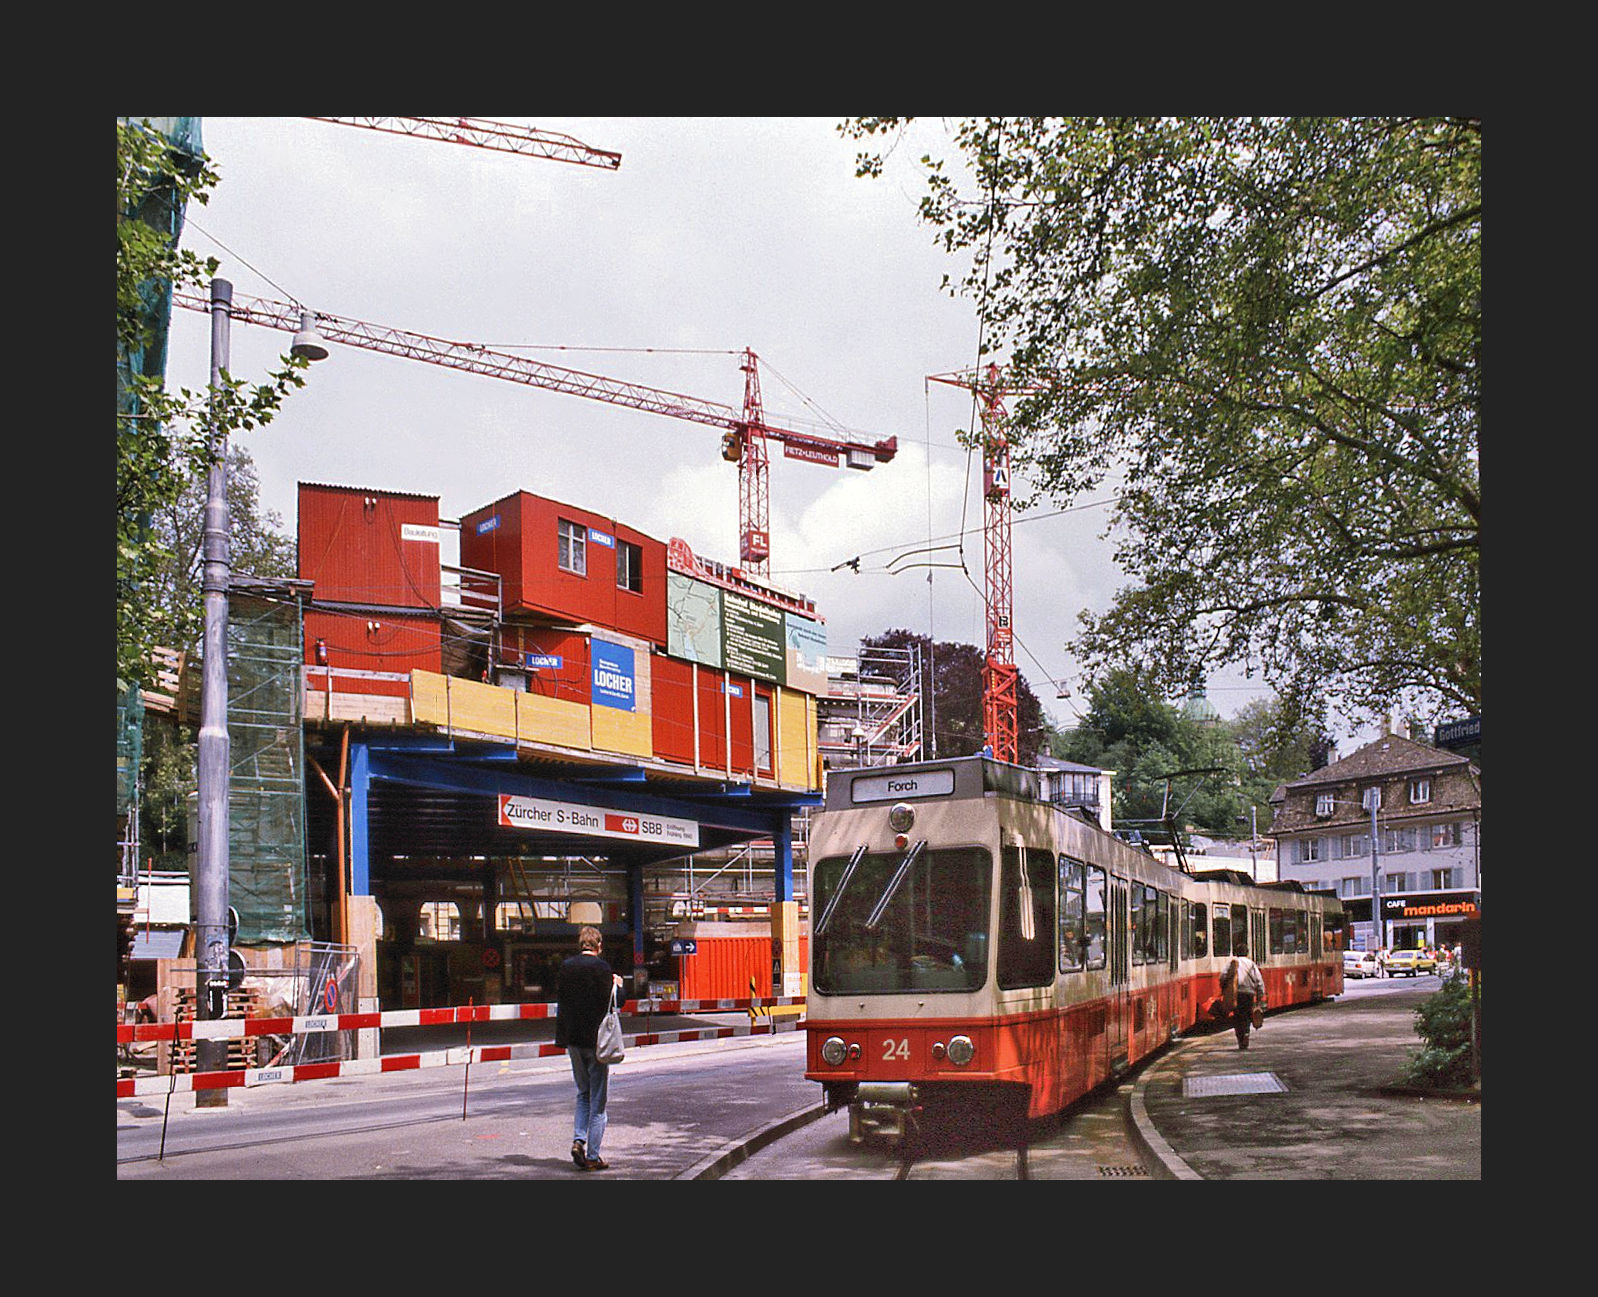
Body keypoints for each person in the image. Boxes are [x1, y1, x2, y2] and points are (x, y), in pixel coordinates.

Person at [555, 926, 624, 1172]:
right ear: (599, 946)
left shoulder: (566, 967)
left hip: (572, 1040)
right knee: (598, 1101)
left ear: (581, 945)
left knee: (583, 1093)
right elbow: (618, 1003)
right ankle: (593, 1156)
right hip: (597, 1043)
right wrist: (618, 985)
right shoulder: (603, 969)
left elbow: (562, 1000)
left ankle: (578, 1140)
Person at [1223, 934, 1266, 1051]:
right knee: (1247, 1015)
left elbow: (1223, 976)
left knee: (1237, 1017)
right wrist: (1260, 996)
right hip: (1249, 994)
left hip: (1236, 994)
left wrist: (1224, 988)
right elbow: (1259, 981)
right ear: (1247, 953)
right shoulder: (1251, 964)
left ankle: (1240, 1038)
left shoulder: (1232, 963)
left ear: (1236, 953)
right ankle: (1246, 1033)